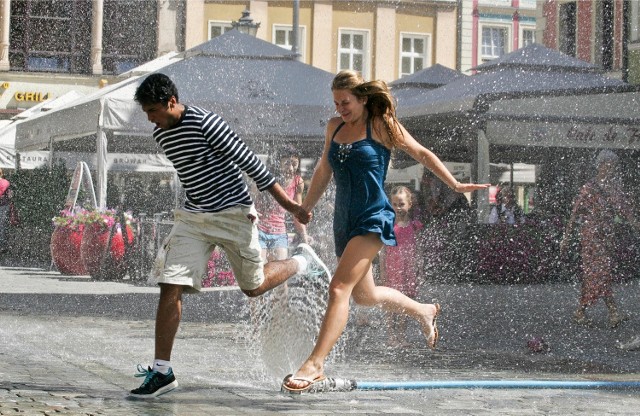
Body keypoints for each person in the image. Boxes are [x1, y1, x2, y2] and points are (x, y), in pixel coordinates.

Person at [282, 70, 490, 392]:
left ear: (363, 98)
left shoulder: (380, 125)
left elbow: (420, 153)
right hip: (344, 220)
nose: (340, 109)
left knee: (339, 289)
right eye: (336, 102)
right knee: (366, 296)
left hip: (372, 217)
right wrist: (305, 207)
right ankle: (423, 310)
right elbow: (324, 169)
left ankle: (315, 364)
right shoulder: (333, 127)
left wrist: (455, 184)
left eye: (346, 102)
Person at [131, 73, 330, 398]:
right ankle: (162, 371)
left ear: (171, 102)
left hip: (234, 214)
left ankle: (300, 262)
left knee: (253, 288)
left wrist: (292, 206)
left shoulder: (208, 123)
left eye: (152, 110)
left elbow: (254, 166)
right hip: (194, 216)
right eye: (146, 113)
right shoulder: (162, 134)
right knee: (170, 283)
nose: (150, 119)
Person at [560, 149, 639, 328]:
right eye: (610, 166)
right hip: (592, 238)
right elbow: (574, 214)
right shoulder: (589, 188)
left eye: (614, 167)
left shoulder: (613, 189)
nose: (612, 170)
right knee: (599, 274)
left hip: (606, 237)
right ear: (601, 165)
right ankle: (610, 312)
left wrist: (636, 225)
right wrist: (566, 238)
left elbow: (626, 212)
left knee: (598, 275)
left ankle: (585, 311)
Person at [379, 186, 424, 347]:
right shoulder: (388, 225)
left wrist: (420, 268)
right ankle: (391, 336)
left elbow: (418, 249)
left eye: (401, 204)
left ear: (409, 204)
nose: (398, 207)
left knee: (406, 304)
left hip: (408, 270)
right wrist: (383, 272)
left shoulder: (414, 226)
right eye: (395, 204)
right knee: (391, 304)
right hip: (392, 271)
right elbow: (383, 251)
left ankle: (401, 335)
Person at [254, 147, 310, 261]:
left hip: (279, 232)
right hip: (259, 230)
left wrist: (305, 237)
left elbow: (298, 212)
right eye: (286, 164)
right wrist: (252, 211)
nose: (290, 168)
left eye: (294, 164)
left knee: (280, 270)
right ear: (277, 163)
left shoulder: (298, 182)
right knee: (259, 270)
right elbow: (250, 198)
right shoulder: (266, 177)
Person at [0, 168, 11, 252]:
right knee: (3, 225)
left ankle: (3, 245)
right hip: (4, 205)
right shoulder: (6, 183)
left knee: (3, 225)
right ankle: (3, 245)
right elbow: (11, 195)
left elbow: (11, 195)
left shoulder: (5, 183)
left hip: (4, 206)